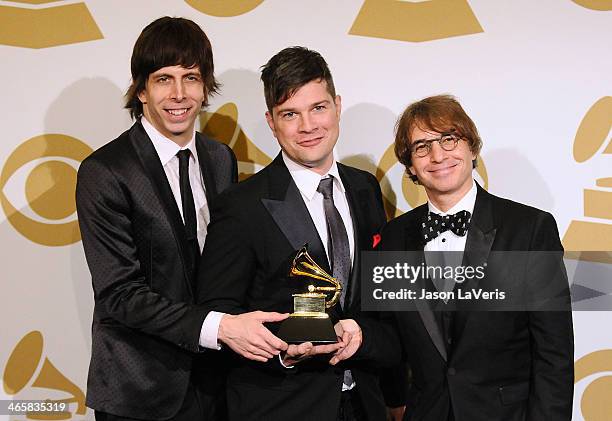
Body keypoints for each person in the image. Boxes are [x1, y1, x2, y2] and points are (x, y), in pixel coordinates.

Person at [76, 17, 287, 421]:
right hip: (140, 391)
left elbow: (229, 264)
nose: (179, 94)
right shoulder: (105, 171)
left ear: (206, 87)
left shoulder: (220, 158)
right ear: (141, 89)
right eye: (163, 79)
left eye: (190, 78)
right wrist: (219, 327)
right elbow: (119, 294)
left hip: (217, 383)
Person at [196, 46, 400, 421]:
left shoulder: (365, 189)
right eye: (290, 114)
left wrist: (363, 334)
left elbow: (379, 300)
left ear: (337, 106)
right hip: (282, 405)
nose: (308, 127)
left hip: (365, 405)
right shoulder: (241, 206)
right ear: (272, 123)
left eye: (318, 108)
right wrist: (281, 354)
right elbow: (218, 317)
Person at [375, 95, 574, 420]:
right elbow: (391, 342)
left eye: (449, 139)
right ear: (411, 164)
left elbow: (554, 353)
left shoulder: (530, 229)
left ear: (472, 147)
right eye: (422, 146)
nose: (438, 155)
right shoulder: (393, 238)